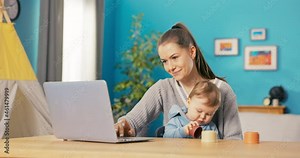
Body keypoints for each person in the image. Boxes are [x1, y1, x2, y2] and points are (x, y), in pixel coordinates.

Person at [114, 22, 242, 140]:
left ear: (192, 52)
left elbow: (234, 140)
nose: (170, 67)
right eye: (164, 61)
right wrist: (121, 125)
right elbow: (132, 121)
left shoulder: (222, 90)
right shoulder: (162, 88)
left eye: (174, 57)